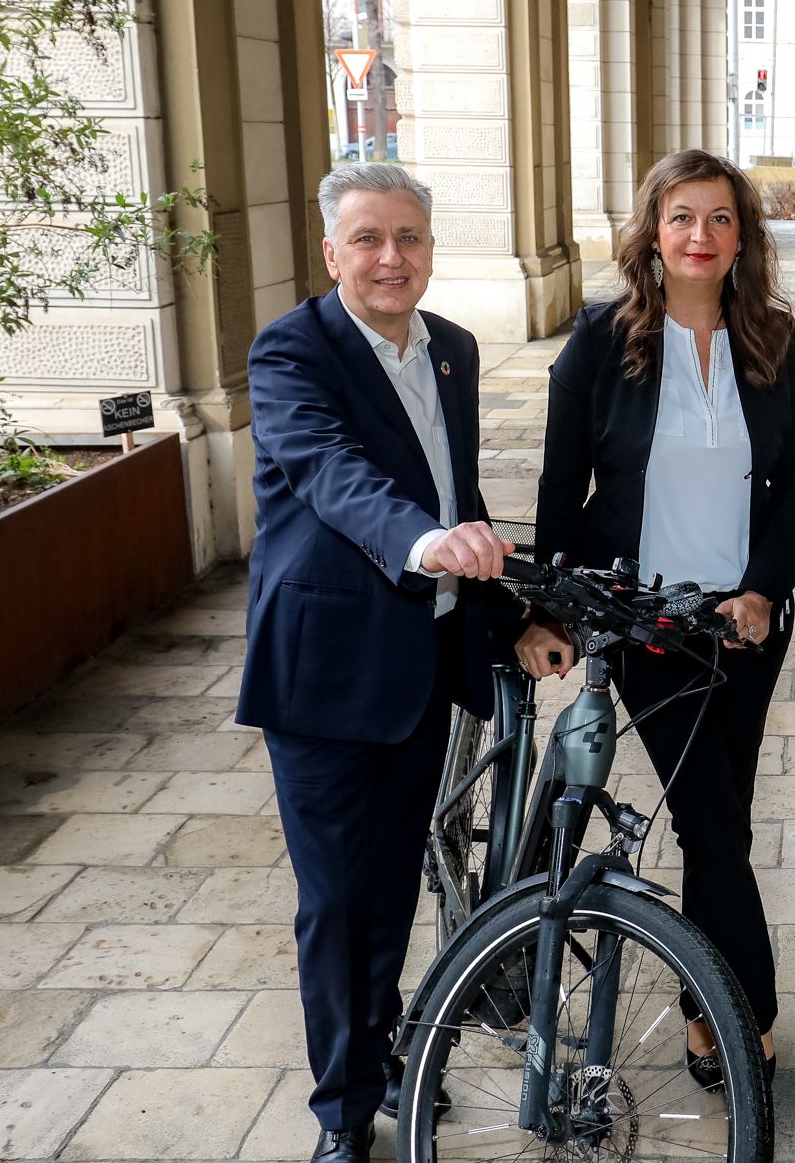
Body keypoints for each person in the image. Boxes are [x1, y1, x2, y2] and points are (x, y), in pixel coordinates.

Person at [239, 164, 572, 1163]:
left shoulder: (453, 351)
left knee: (387, 885)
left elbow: (453, 490)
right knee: (337, 904)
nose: (393, 259)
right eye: (370, 240)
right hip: (327, 670)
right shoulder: (292, 351)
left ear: (430, 248)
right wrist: (424, 544)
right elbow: (332, 475)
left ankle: (383, 1055)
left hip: (422, 658)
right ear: (332, 252)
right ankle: (343, 1114)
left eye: (411, 238)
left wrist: (510, 611)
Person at [535, 147, 795, 1090]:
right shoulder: (601, 340)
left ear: (744, 238)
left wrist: (764, 589)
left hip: (741, 625)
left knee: (720, 818)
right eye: (683, 216)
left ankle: (712, 1008)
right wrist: (553, 610)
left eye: (721, 219)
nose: (702, 235)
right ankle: (744, 1020)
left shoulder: (773, 338)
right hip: (646, 619)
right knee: (712, 821)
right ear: (653, 231)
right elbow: (559, 486)